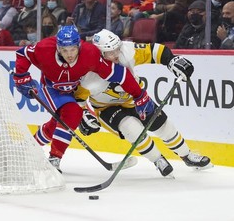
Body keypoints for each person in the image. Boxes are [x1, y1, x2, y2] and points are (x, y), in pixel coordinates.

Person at [13, 25, 152, 173]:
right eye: (65, 50)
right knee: (72, 113)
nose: (70, 54)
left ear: (79, 45)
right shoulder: (44, 48)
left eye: (73, 49)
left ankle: (28, 148)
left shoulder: (90, 54)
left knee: (58, 122)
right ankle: (54, 159)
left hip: (74, 91)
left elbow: (120, 74)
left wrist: (139, 95)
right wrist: (21, 76)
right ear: (58, 47)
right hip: (51, 88)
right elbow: (23, 54)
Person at [75, 29, 212, 177]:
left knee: (164, 126)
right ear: (99, 53)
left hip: (136, 98)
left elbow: (155, 50)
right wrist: (82, 116)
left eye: (117, 49)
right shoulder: (87, 74)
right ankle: (158, 159)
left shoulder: (127, 51)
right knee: (132, 129)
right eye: (110, 52)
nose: (116, 55)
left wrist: (171, 60)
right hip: (106, 108)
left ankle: (187, 155)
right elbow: (78, 99)